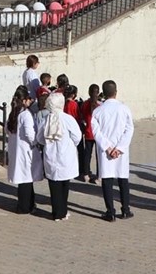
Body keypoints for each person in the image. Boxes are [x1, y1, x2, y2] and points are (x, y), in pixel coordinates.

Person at [92, 79, 134, 221]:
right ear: (116, 92)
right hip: (120, 151)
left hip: (106, 151)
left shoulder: (98, 111)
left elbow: (96, 132)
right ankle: (125, 209)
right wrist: (120, 147)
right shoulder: (124, 109)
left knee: (107, 179)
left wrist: (108, 147)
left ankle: (110, 212)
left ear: (103, 93)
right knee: (123, 179)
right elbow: (129, 129)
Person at [39, 92, 83, 222]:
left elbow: (39, 138)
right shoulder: (68, 119)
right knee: (65, 184)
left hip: (51, 156)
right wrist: (70, 144)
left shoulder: (45, 120)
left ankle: (57, 212)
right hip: (66, 156)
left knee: (54, 185)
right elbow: (77, 136)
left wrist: (48, 144)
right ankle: (63, 211)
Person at [6, 86, 42, 214]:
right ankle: (25, 207)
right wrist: (36, 142)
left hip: (16, 150)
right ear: (24, 100)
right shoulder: (26, 114)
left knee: (23, 179)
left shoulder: (13, 113)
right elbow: (29, 134)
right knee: (26, 179)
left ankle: (28, 204)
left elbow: (7, 130)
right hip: (25, 150)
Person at [77, 83, 101, 183]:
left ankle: (86, 174)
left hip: (88, 132)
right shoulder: (100, 105)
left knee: (87, 154)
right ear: (98, 93)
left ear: (89, 92)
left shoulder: (85, 104)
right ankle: (99, 176)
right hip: (97, 133)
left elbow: (82, 116)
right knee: (99, 155)